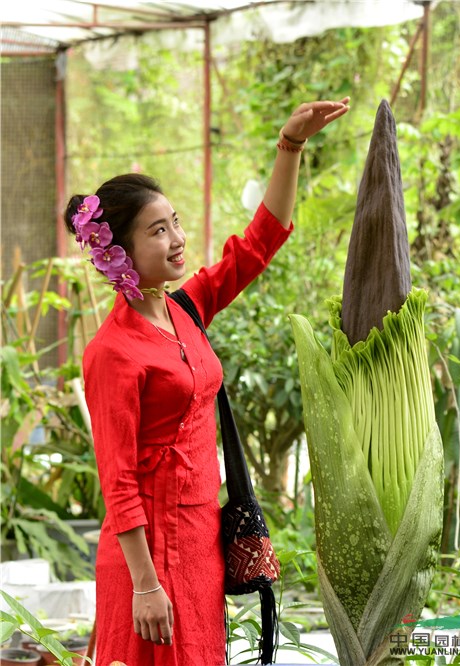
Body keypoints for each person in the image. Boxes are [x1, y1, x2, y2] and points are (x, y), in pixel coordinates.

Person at [64, 99, 350, 666]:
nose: (177, 238)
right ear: (117, 252)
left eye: (175, 222)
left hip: (200, 542)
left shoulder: (188, 309)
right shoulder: (111, 352)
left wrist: (290, 145)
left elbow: (259, 244)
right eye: (158, 230)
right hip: (145, 556)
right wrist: (145, 583)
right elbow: (117, 480)